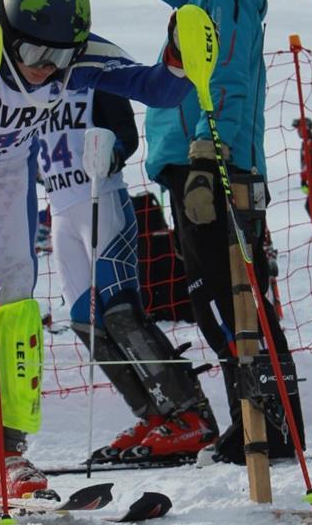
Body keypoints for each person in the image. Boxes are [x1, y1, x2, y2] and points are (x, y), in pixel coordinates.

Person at [0, 0, 197, 497]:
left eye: (62, 57)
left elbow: (158, 90)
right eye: (36, 54)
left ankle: (7, 451)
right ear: (10, 32)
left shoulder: (76, 58)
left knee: (17, 302)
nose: (48, 68)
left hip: (7, 165)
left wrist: (179, 57)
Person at [141, 0, 306, 464]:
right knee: (214, 298)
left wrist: (216, 153)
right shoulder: (196, 2)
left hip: (212, 162)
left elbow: (228, 71)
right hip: (190, 164)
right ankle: (254, 418)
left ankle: (272, 424)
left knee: (235, 293)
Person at [36, 87, 218, 461]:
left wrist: (115, 153)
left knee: (120, 312)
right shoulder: (28, 87)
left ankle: (187, 412)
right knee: (85, 321)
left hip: (103, 200)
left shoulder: (93, 75)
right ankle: (152, 413)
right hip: (61, 212)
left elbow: (125, 131)